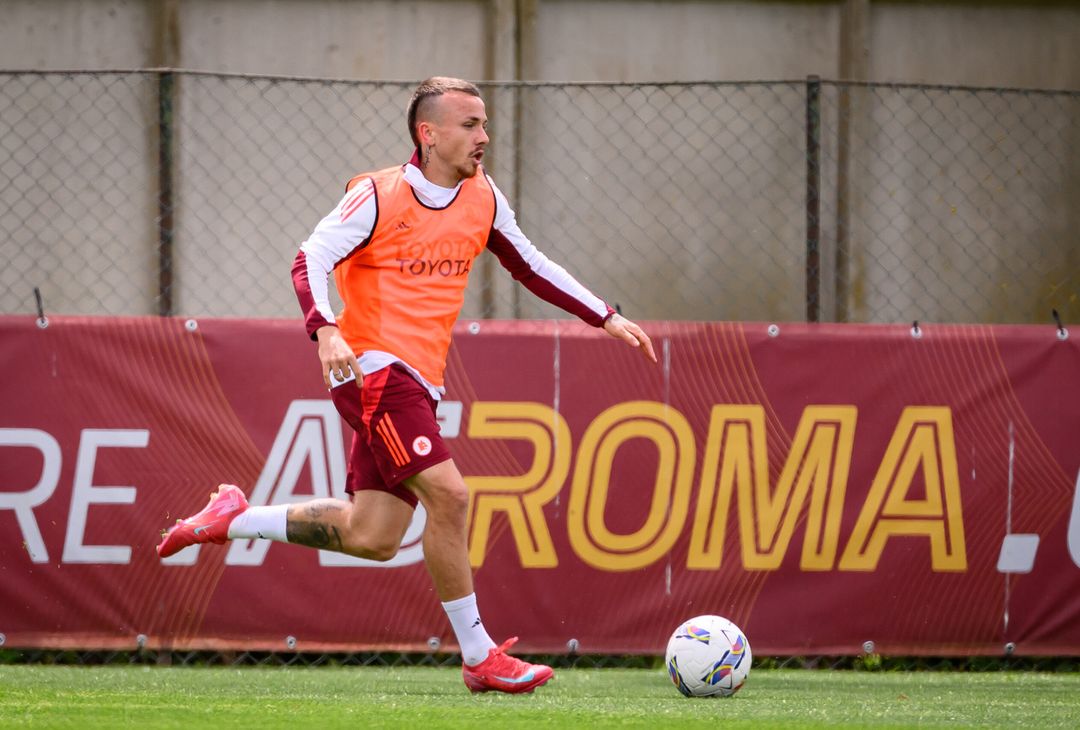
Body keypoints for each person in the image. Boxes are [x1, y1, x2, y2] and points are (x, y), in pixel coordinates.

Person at [157, 76, 656, 694]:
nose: (484, 136)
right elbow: (307, 256)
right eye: (470, 125)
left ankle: (231, 518)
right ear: (429, 133)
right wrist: (327, 331)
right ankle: (479, 657)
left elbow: (530, 263)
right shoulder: (376, 194)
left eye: (484, 124)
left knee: (374, 536)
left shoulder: (484, 198)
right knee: (450, 497)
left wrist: (604, 315)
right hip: (371, 370)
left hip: (419, 380)